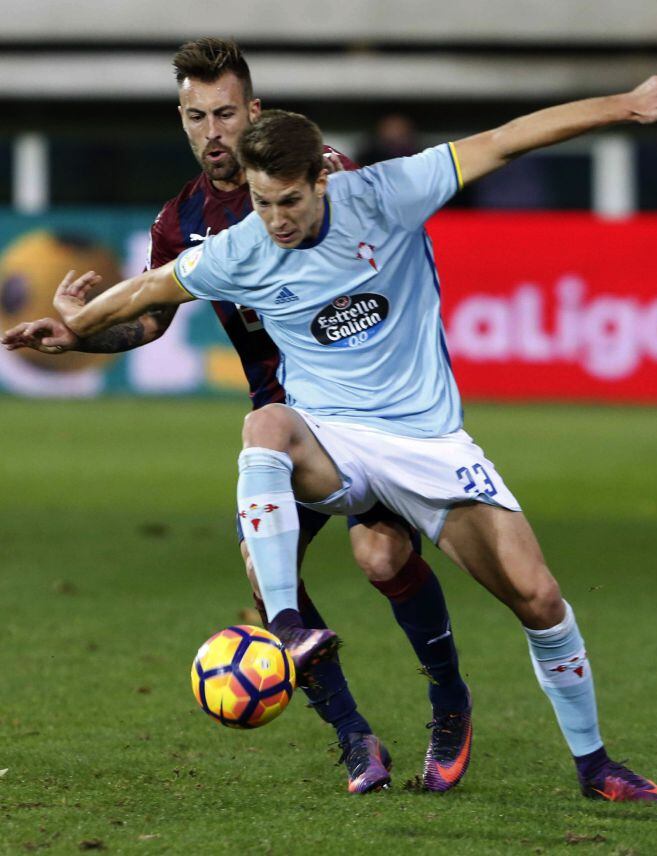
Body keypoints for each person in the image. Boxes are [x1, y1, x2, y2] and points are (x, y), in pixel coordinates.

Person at [6, 56, 657, 801]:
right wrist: (74, 327)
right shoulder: (232, 243)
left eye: (286, 203)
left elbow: (507, 139)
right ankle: (292, 638)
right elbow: (151, 290)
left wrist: (625, 104)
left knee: (533, 597)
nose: (273, 220)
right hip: (325, 435)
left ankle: (592, 764)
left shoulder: (385, 192)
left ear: (320, 182)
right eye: (261, 202)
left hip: (426, 440)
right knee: (266, 430)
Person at [1, 37, 471, 796]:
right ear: (181, 120)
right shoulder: (180, 220)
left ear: (253, 110)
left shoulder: (316, 177)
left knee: (382, 561)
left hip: (362, 406)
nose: (212, 131)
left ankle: (449, 700)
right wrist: (79, 336)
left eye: (225, 113)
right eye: (196, 116)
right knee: (265, 574)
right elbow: (146, 326)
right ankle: (354, 735)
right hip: (281, 418)